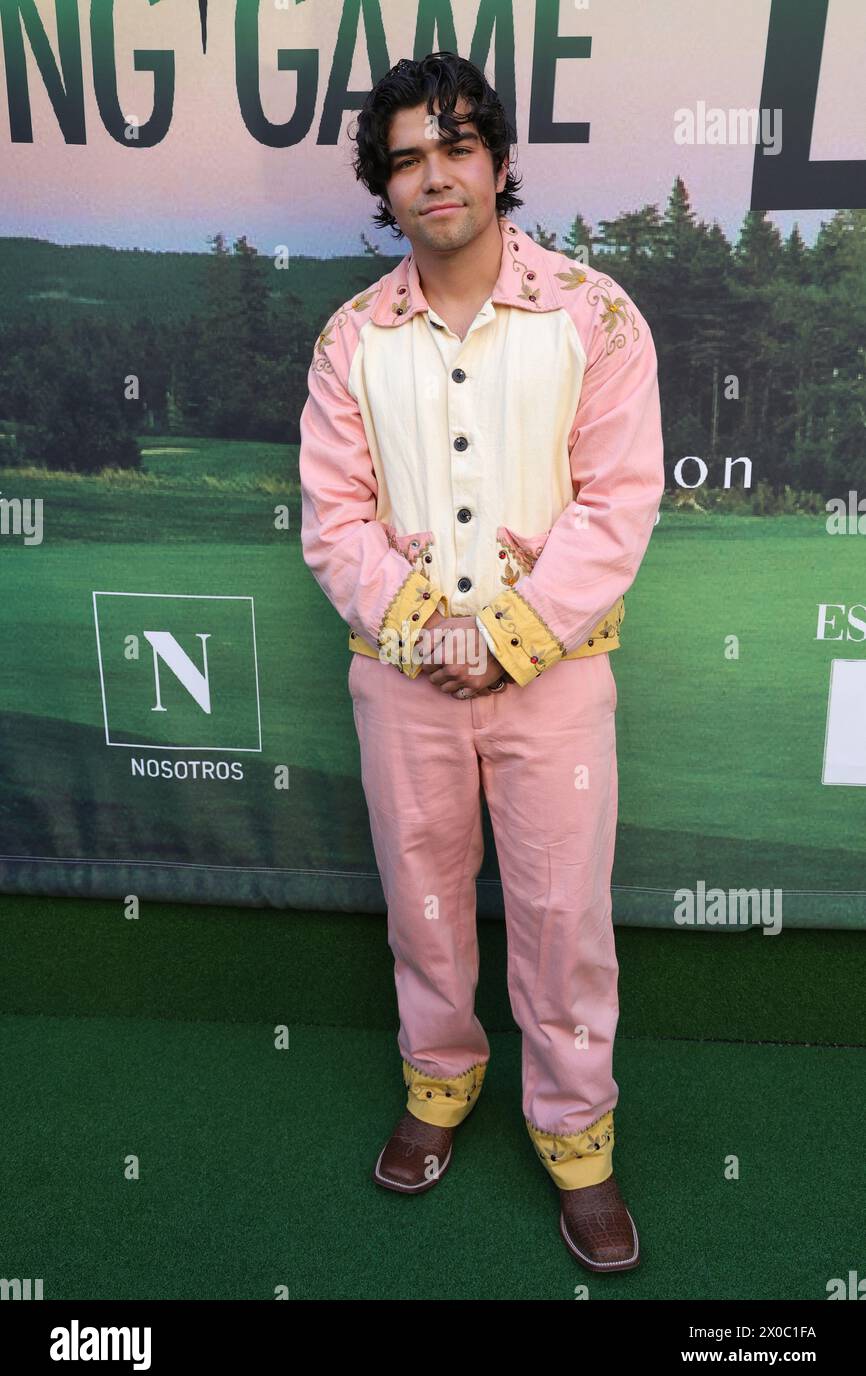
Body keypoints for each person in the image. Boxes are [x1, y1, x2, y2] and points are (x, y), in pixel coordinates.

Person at [299, 51, 664, 1274]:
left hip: (555, 681)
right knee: (422, 899)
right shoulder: (350, 338)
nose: (433, 175)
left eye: (456, 148)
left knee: (563, 919)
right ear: (384, 187)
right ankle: (439, 1085)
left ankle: (576, 1141)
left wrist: (506, 636)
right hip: (400, 679)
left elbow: (617, 504)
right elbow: (332, 519)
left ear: (500, 166)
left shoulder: (594, 316)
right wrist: (425, 631)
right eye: (406, 158)